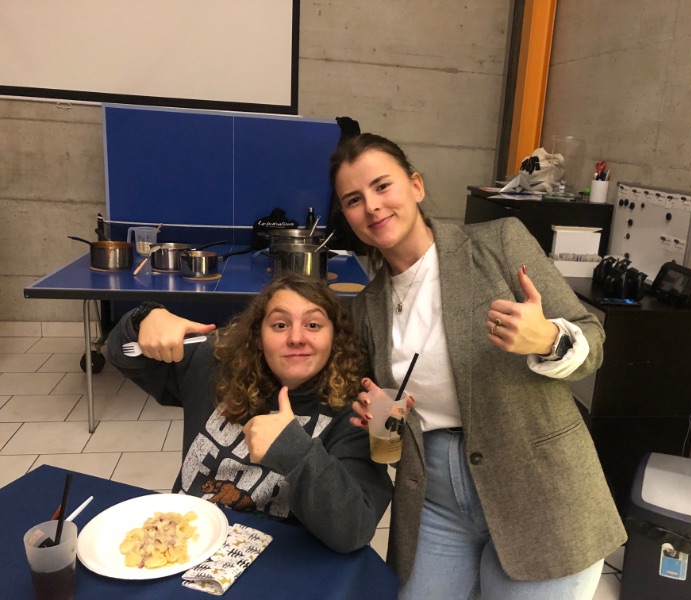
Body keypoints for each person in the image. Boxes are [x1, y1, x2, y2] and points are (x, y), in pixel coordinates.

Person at [330, 133, 627, 598]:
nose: (371, 206)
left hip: (539, 492)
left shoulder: (499, 243)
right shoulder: (367, 307)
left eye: (382, 186)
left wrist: (548, 338)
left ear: (416, 186)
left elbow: (593, 340)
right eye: (354, 199)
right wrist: (380, 419)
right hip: (435, 504)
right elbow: (391, 410)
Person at [107, 273, 392, 554]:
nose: (296, 338)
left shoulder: (353, 412)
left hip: (280, 560)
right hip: (189, 542)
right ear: (257, 337)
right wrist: (143, 318)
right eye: (280, 325)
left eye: (313, 325)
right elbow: (123, 354)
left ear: (334, 337)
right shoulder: (213, 365)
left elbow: (353, 530)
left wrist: (294, 450)